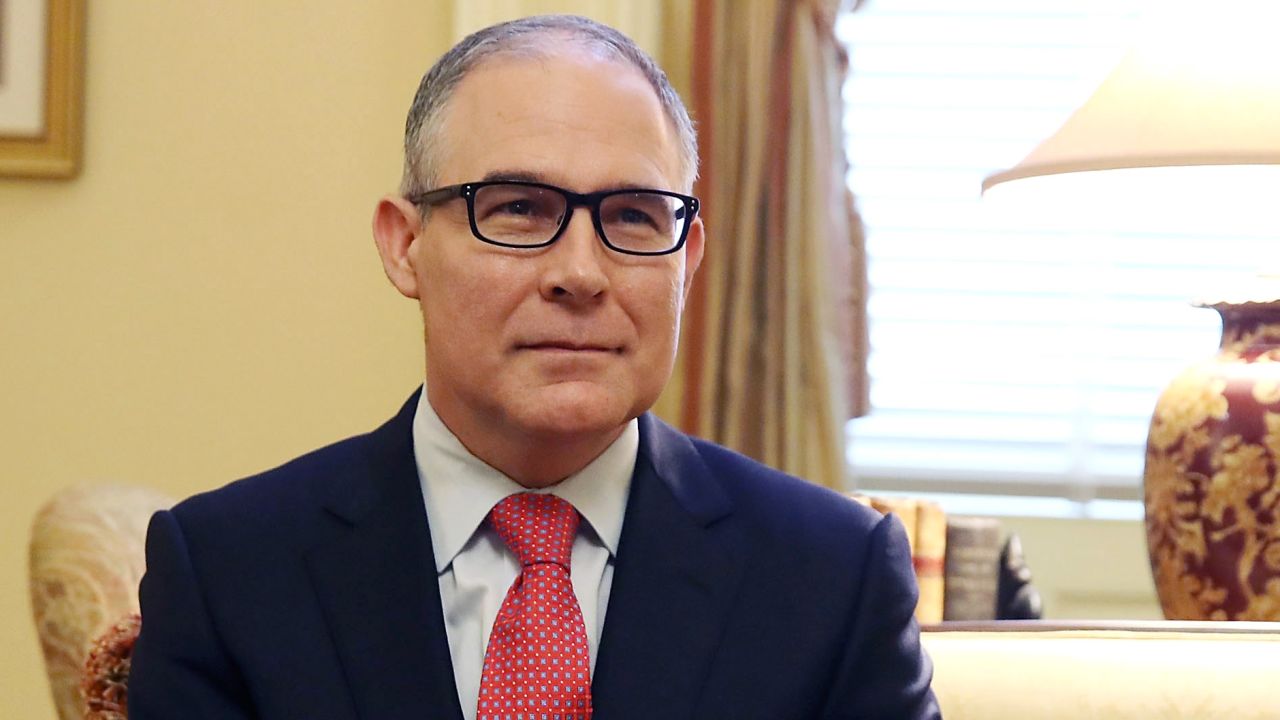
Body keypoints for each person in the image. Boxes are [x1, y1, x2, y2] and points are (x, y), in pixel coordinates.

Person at [128, 14, 938, 720]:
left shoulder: (833, 576)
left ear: (688, 259)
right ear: (405, 245)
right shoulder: (229, 573)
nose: (581, 272)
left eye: (631, 216)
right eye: (519, 209)